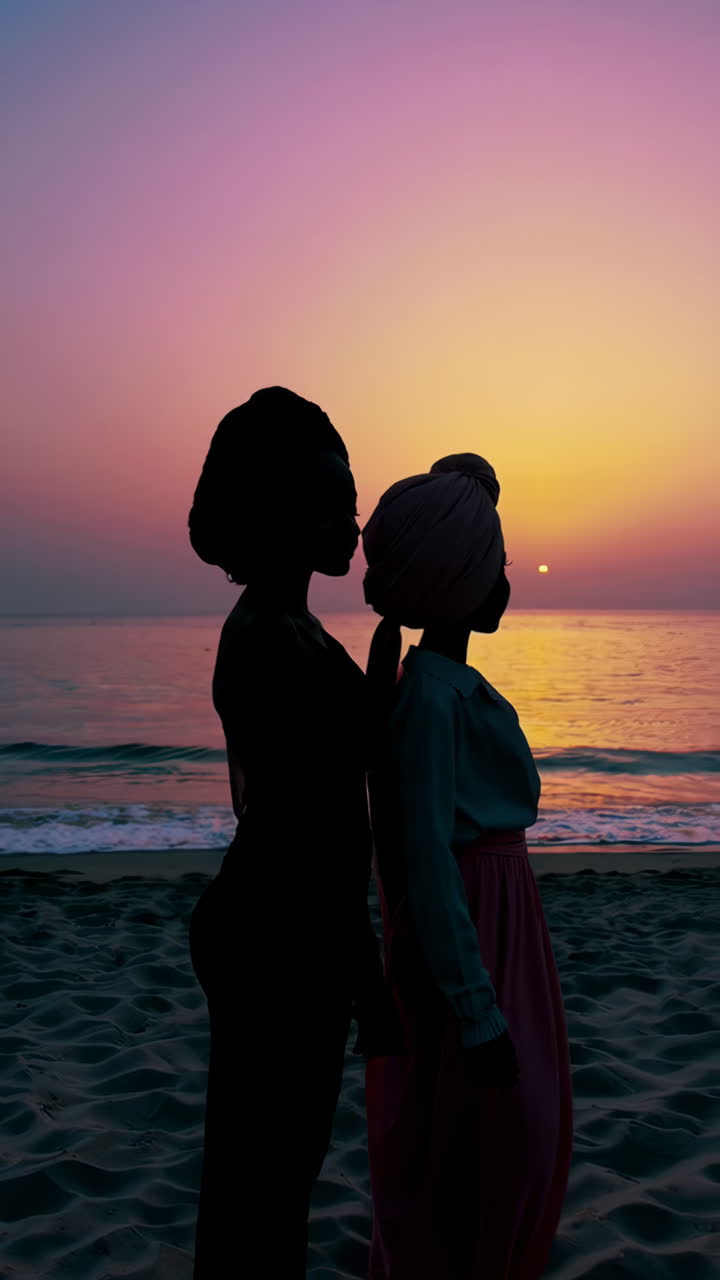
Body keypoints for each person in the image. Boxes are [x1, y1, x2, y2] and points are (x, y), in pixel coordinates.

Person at [187, 387, 394, 1279]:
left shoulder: (296, 630)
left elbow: (350, 750)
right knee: (262, 1182)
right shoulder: (271, 643)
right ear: (274, 513)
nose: (350, 518)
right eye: (330, 499)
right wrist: (368, 981)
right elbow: (307, 834)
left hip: (282, 923)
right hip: (279, 933)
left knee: (274, 1176)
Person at [361, 453, 573, 1280]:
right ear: (461, 581)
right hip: (479, 926)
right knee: (496, 1137)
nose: (507, 585)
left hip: (506, 918)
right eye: (497, 567)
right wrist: (474, 1007)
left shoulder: (446, 684)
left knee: (515, 1127)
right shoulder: (434, 698)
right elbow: (425, 857)